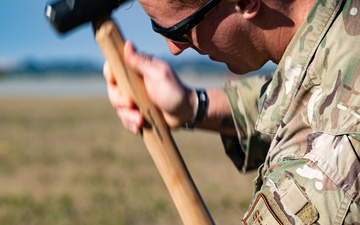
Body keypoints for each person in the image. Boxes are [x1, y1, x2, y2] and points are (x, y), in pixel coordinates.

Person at [103, 0, 360, 223]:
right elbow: (304, 98)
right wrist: (192, 105)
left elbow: (326, 127)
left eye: (180, 31)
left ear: (247, 2)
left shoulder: (330, 160)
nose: (174, 48)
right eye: (157, 27)